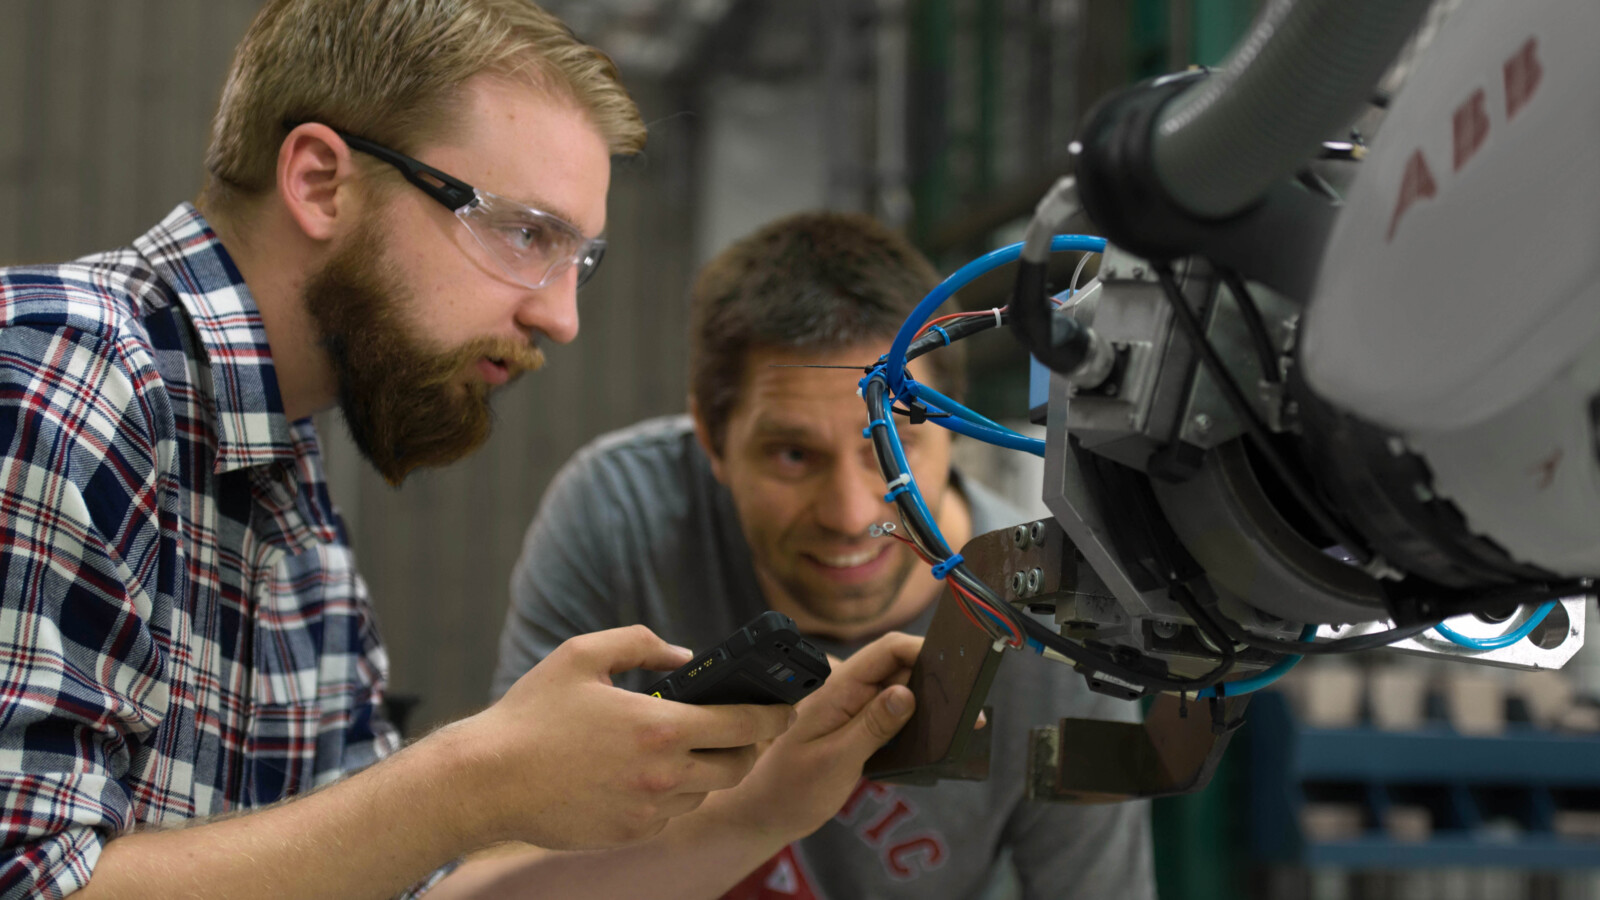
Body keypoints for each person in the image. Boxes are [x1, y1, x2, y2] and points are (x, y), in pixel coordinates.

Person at [0, 3, 924, 898]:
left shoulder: (289, 506)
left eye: (578, 260)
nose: (559, 317)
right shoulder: (65, 373)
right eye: (526, 234)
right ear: (321, 181)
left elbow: (394, 886)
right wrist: (469, 781)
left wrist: (756, 818)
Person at [495, 211, 1157, 900]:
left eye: (890, 446)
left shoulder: (1056, 621)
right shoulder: (621, 514)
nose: (849, 514)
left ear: (956, 431)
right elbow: (500, 842)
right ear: (713, 443)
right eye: (792, 455)